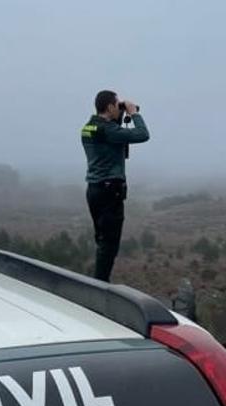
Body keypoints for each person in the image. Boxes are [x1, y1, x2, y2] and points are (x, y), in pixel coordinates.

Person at [81, 90, 149, 282]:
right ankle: (100, 284)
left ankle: (99, 279)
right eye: (117, 104)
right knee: (110, 243)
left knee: (102, 239)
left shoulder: (89, 127)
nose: (119, 107)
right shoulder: (109, 131)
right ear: (110, 107)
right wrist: (134, 113)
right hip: (110, 191)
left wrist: (119, 115)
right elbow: (143, 134)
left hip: (93, 190)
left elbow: (109, 134)